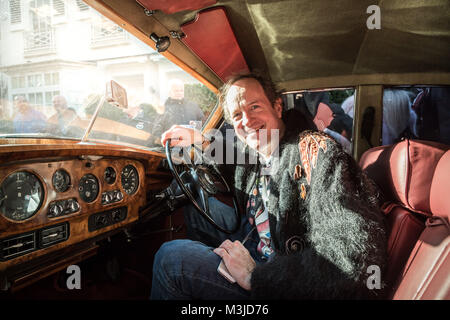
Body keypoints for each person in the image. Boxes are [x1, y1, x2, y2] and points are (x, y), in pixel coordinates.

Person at [151, 73, 388, 299]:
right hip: (256, 239)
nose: (247, 121)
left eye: (254, 107)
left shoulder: (318, 155)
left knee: (171, 259)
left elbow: (354, 261)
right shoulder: (263, 152)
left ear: (277, 107)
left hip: (277, 275)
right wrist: (202, 141)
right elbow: (236, 161)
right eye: (236, 115)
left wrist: (256, 277)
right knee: (194, 211)